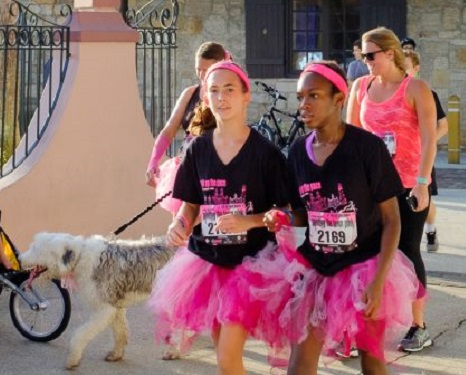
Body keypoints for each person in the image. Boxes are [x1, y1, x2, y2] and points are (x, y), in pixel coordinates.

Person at [258, 61, 419, 374]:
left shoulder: (367, 148)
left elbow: (392, 220)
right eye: (301, 97)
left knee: (372, 363)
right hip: (315, 269)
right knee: (300, 363)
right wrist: (285, 218)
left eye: (314, 96)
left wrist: (378, 279)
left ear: (338, 99)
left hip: (364, 267)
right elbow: (306, 213)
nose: (304, 104)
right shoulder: (297, 152)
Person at [148, 61, 290, 375]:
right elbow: (189, 206)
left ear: (245, 96)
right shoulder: (197, 150)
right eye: (214, 90)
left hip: (249, 267)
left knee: (227, 359)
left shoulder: (266, 154)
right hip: (206, 265)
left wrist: (250, 221)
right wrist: (180, 224)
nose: (221, 97)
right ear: (205, 97)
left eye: (229, 90)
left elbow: (288, 214)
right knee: (224, 355)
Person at [347, 27, 437, 353]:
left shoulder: (415, 88)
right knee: (366, 255)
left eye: (371, 55)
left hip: (409, 184)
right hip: (371, 188)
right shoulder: (360, 87)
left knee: (408, 252)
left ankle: (418, 325)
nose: (366, 61)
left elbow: (429, 138)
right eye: (363, 56)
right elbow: (351, 138)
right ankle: (362, 326)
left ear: (389, 52)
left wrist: (423, 183)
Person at [145, 41, 230, 214]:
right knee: (183, 228)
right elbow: (169, 130)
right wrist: (153, 161)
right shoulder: (190, 93)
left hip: (216, 172)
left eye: (206, 69)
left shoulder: (228, 97)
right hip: (187, 169)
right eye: (198, 69)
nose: (201, 74)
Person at [403, 50, 448, 252]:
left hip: (421, 158)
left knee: (424, 199)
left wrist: (427, 142)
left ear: (416, 69)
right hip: (398, 160)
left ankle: (430, 230)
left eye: (405, 67)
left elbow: (444, 125)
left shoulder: (426, 93)